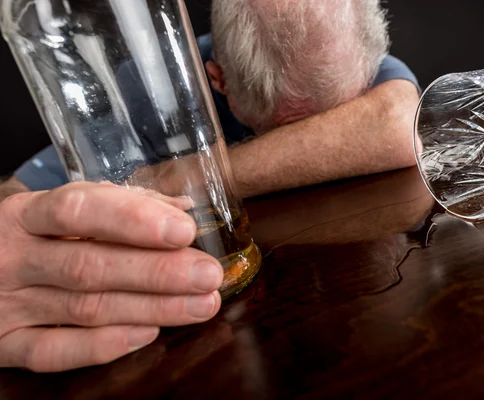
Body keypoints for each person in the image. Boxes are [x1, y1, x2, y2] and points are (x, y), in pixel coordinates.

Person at [0, 0, 419, 372]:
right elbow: (17, 191)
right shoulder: (146, 84)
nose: (316, 138)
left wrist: (183, 174)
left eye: (333, 117)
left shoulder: (337, 48)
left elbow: (398, 124)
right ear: (217, 81)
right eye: (284, 123)